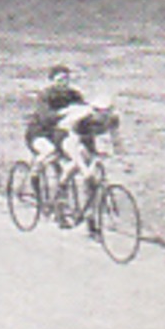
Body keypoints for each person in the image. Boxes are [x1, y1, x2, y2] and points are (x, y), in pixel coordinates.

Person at [55, 94, 121, 238]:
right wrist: (85, 170)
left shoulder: (113, 119)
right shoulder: (81, 120)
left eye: (106, 112)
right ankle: (61, 193)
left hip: (87, 138)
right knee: (81, 163)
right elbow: (74, 145)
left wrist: (120, 158)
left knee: (93, 179)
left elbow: (115, 140)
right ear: (93, 110)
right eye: (98, 111)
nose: (102, 116)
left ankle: (90, 220)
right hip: (65, 135)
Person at [25, 64, 84, 170]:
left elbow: (83, 112)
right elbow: (45, 117)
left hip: (60, 134)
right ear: (52, 81)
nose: (64, 83)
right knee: (49, 151)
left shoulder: (74, 95)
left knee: (77, 153)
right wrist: (63, 113)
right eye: (60, 80)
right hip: (39, 133)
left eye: (66, 79)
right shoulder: (45, 96)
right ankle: (34, 173)